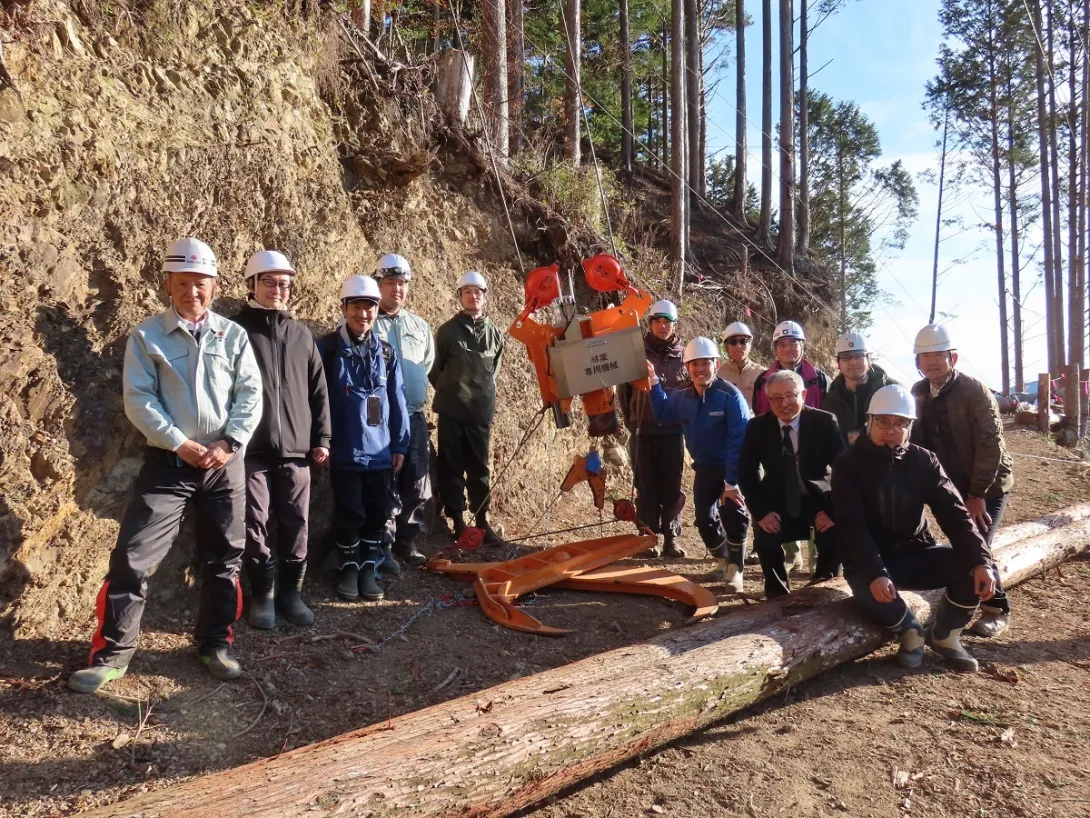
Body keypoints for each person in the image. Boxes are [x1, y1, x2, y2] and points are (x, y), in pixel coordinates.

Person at [69, 238, 263, 693]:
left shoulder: (232, 336)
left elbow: (250, 395)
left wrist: (229, 442)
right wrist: (179, 444)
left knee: (224, 559)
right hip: (168, 464)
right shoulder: (147, 336)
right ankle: (112, 655)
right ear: (167, 286)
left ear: (214, 286)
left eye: (200, 284)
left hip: (224, 463)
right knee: (133, 558)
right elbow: (139, 400)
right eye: (182, 284)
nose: (192, 293)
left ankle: (214, 644)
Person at [833, 385, 998, 672]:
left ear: (910, 426)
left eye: (900, 423)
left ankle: (946, 635)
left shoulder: (924, 461)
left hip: (915, 553)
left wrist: (981, 562)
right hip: (870, 561)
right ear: (869, 421)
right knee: (869, 587)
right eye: (883, 421)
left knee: (970, 566)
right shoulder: (848, 464)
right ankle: (911, 633)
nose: (891, 429)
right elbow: (852, 526)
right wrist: (875, 572)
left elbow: (956, 515)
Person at [234, 250, 331, 630]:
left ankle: (292, 593)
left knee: (296, 522)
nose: (279, 290)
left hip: (297, 449)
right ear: (252, 285)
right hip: (251, 448)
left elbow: (319, 391)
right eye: (271, 282)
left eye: (285, 284)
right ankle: (263, 596)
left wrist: (321, 437)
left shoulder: (301, 334)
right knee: (253, 521)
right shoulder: (236, 331)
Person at [910, 324, 1014, 637]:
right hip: (952, 486)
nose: (931, 362)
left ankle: (996, 610)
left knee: (977, 545)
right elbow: (916, 443)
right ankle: (960, 595)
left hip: (988, 485)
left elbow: (990, 444)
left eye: (938, 355)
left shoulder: (974, 391)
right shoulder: (918, 393)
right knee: (962, 544)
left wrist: (977, 493)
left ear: (952, 357)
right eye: (924, 356)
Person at [319, 275, 409, 603]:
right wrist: (321, 441)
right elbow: (315, 399)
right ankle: (349, 566)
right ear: (344, 308)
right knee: (349, 511)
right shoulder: (326, 349)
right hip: (343, 449)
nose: (363, 314)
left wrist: (400, 445)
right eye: (356, 306)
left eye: (369, 307)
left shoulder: (385, 352)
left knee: (377, 510)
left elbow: (397, 400)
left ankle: (369, 564)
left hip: (381, 450)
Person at [647, 337, 750, 592]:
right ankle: (723, 560)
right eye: (695, 364)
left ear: (716, 364)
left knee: (733, 515)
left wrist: (732, 482)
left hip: (732, 465)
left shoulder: (730, 396)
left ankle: (736, 570)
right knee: (704, 520)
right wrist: (653, 384)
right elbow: (663, 414)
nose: (700, 369)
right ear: (687, 367)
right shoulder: (681, 395)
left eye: (705, 363)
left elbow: (740, 439)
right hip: (704, 467)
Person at [738, 370, 846, 598]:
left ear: (804, 394)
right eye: (776, 398)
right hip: (777, 499)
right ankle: (778, 597)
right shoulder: (757, 427)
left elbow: (843, 471)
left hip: (818, 498)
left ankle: (825, 589)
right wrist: (762, 512)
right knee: (766, 540)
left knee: (835, 535)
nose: (784, 403)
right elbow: (746, 473)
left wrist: (832, 510)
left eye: (790, 396)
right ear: (768, 400)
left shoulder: (824, 422)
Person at [430, 271, 505, 543]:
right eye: (467, 292)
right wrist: (452, 391)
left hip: (480, 410)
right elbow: (434, 369)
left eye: (478, 292)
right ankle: (458, 520)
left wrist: (478, 395)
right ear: (459, 295)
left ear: (484, 296)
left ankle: (483, 520)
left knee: (480, 467)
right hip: (451, 409)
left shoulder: (495, 332)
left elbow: (493, 370)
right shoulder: (447, 331)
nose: (473, 296)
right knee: (451, 465)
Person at [373, 253, 434, 572]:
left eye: (402, 283)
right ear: (378, 284)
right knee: (385, 482)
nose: (397, 289)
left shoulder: (419, 326)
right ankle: (383, 544)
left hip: (413, 416)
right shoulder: (366, 320)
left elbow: (425, 365)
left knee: (417, 483)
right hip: (379, 421)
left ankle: (407, 540)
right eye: (390, 283)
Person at [617, 299, 688, 558]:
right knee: (645, 485)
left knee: (671, 485)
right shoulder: (637, 351)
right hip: (642, 429)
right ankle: (647, 537)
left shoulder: (684, 354)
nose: (662, 326)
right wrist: (631, 419)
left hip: (672, 431)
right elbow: (623, 391)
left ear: (673, 325)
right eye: (657, 321)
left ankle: (671, 538)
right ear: (650, 324)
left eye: (667, 322)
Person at [822, 332, 898, 445]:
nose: (853, 362)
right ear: (837, 363)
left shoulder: (892, 391)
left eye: (859, 356)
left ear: (869, 359)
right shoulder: (831, 398)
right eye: (846, 357)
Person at [751, 320, 830, 415]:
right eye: (782, 344)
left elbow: (829, 418)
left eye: (793, 343)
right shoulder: (763, 381)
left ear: (802, 346)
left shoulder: (820, 380)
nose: (787, 349)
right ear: (775, 348)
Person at [717, 321, 762, 412]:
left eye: (743, 341)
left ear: (750, 345)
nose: (738, 346)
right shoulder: (718, 375)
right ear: (726, 346)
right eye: (733, 342)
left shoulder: (762, 374)